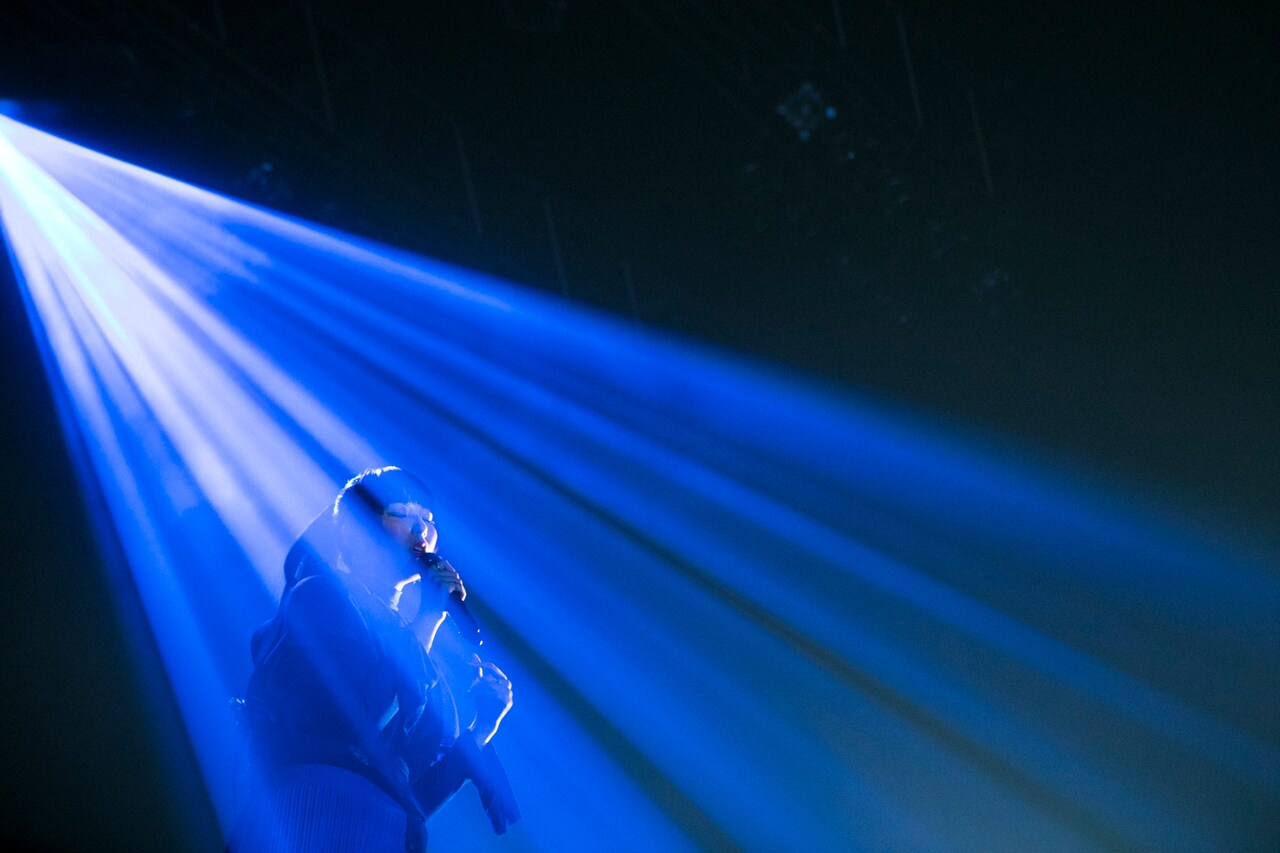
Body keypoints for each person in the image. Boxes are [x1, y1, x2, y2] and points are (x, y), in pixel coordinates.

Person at [228, 466, 518, 852]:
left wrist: (481, 726)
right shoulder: (318, 597)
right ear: (354, 527)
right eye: (403, 514)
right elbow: (357, 717)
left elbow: (402, 792)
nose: (422, 532)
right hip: (306, 821)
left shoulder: (409, 641)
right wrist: (429, 618)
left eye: (428, 520)